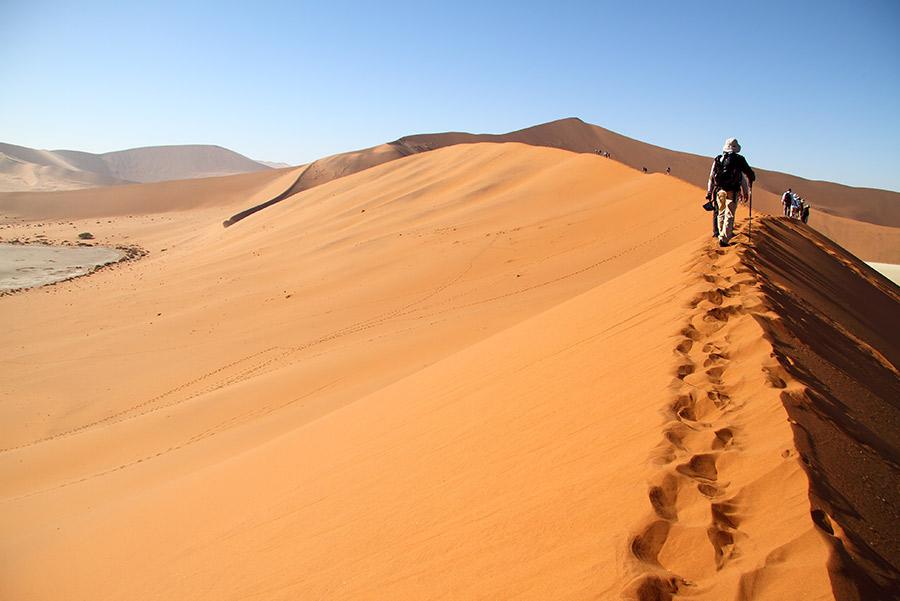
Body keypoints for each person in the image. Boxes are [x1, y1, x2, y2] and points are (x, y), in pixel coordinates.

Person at [706, 138, 756, 246]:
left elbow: (711, 176)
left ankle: (721, 234)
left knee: (721, 212)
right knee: (729, 213)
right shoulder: (739, 159)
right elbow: (747, 175)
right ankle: (724, 238)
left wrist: (709, 191)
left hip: (719, 189)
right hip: (733, 191)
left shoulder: (718, 159)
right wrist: (747, 189)